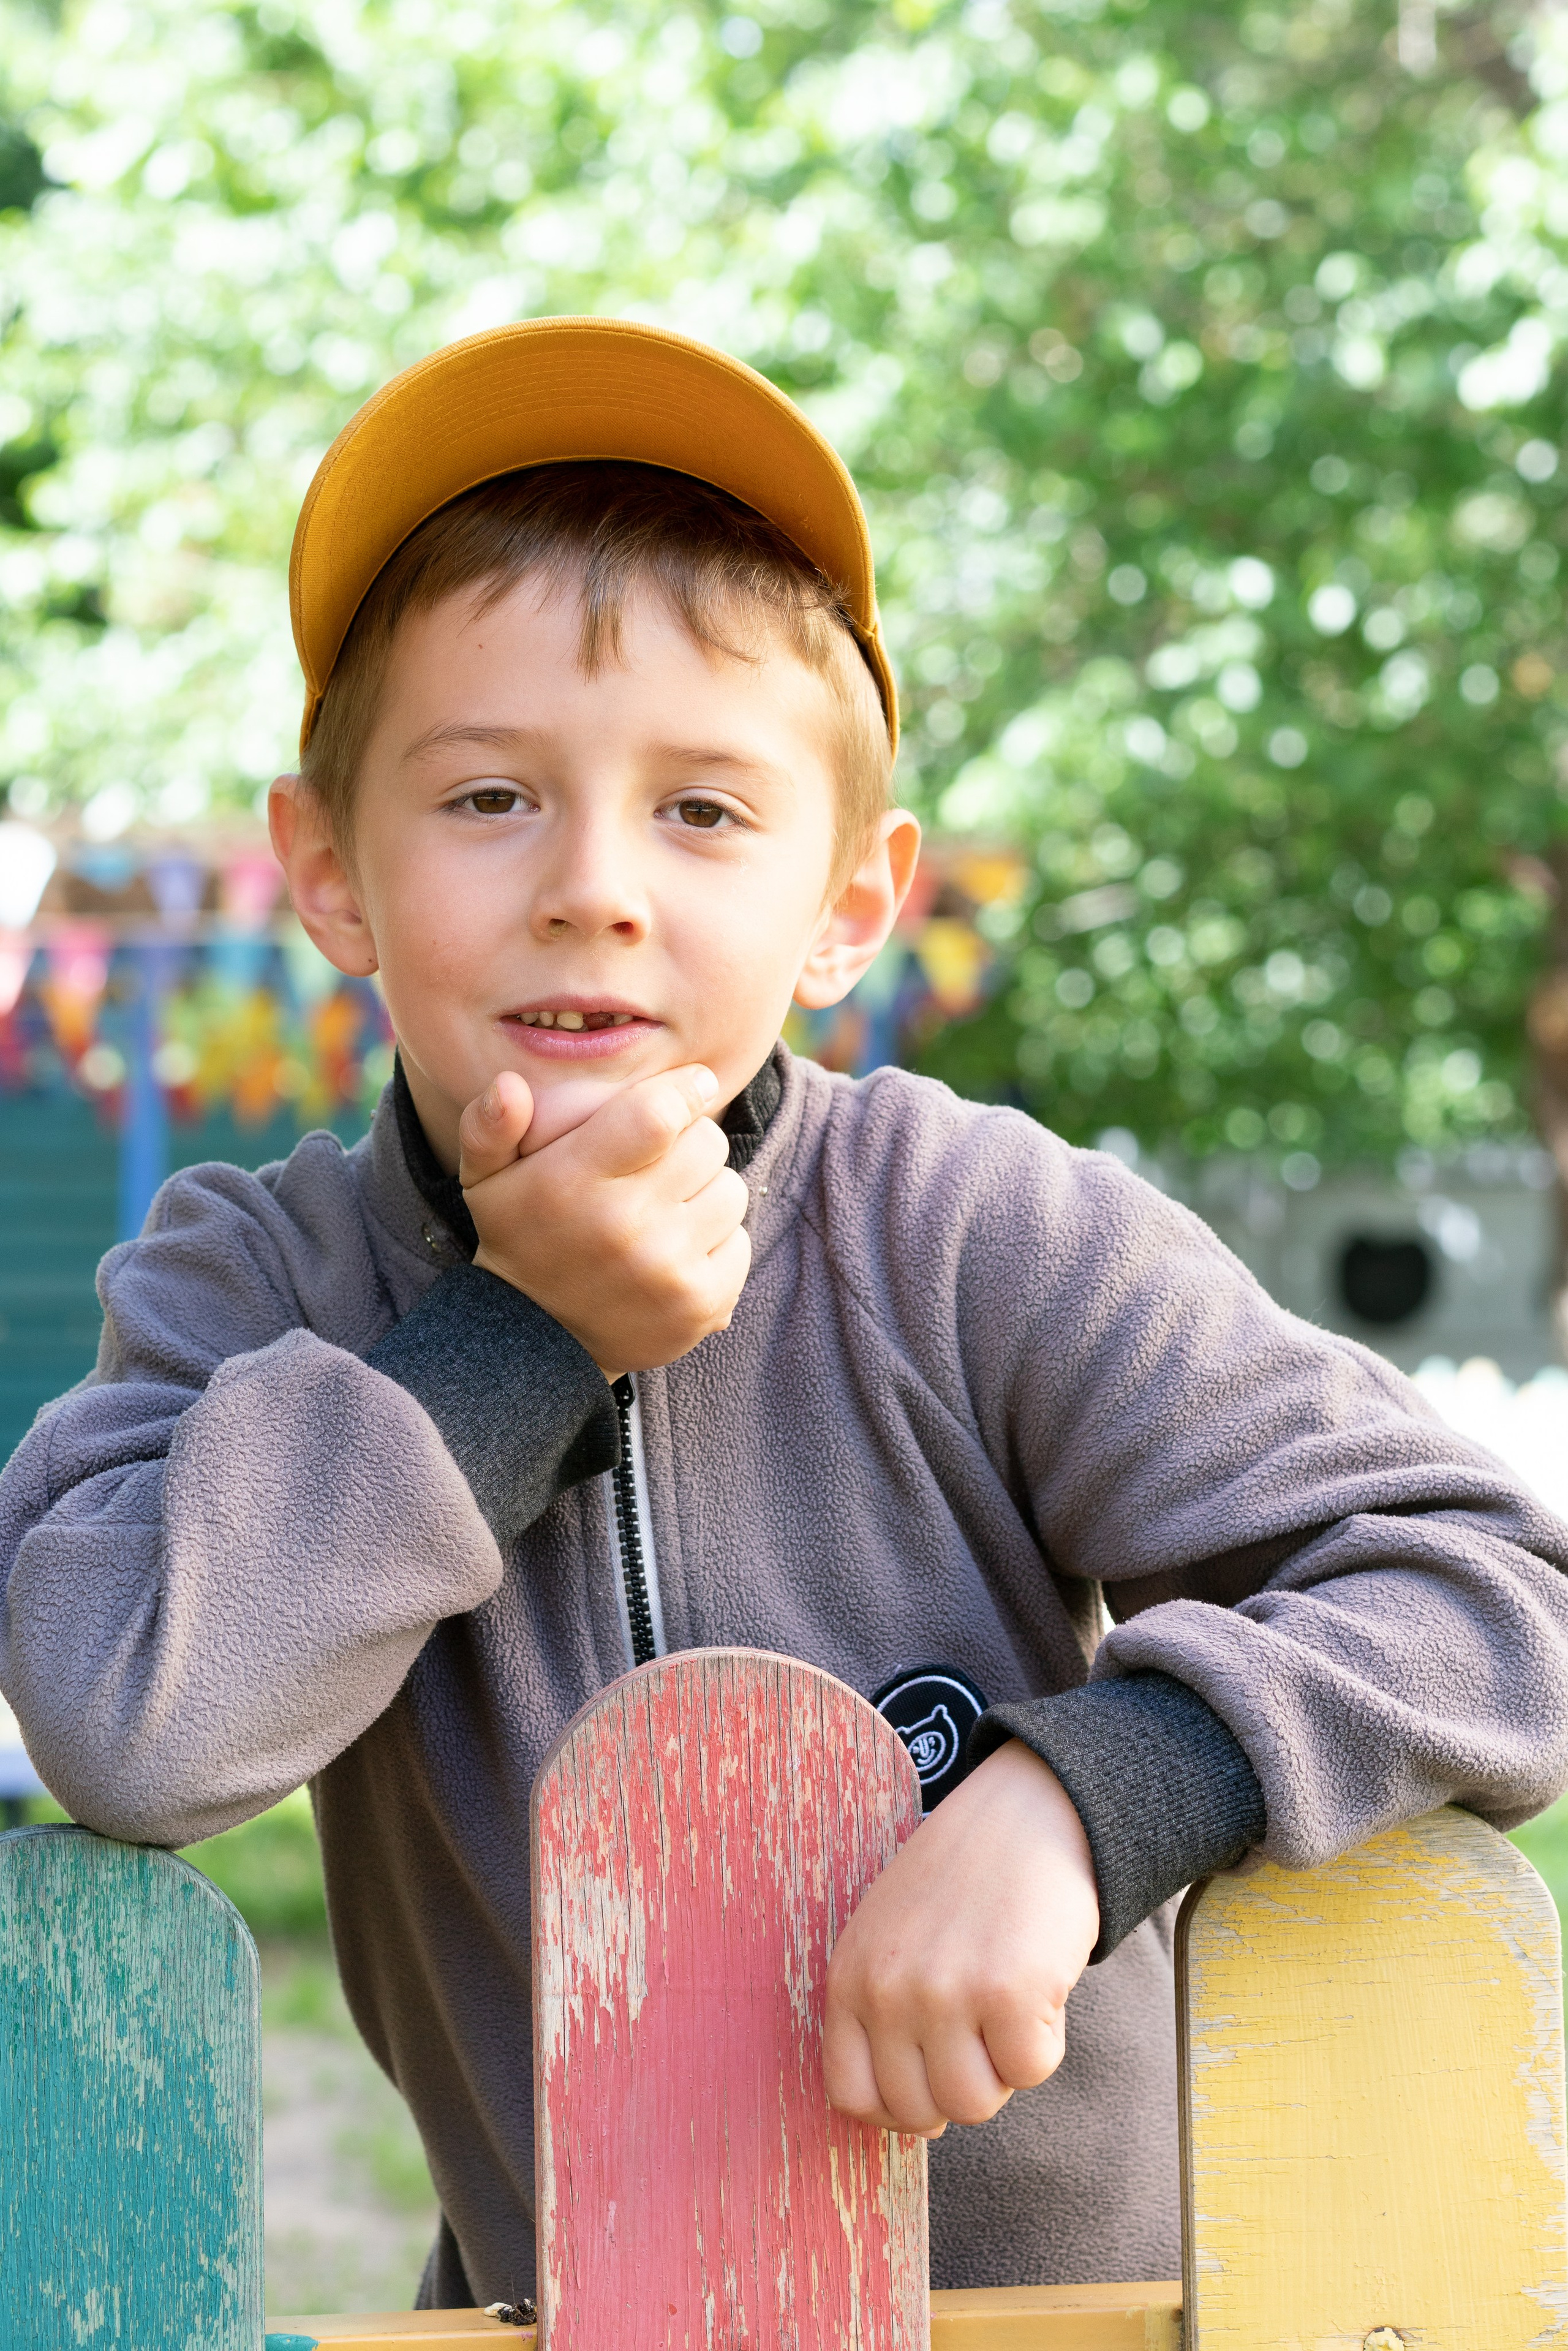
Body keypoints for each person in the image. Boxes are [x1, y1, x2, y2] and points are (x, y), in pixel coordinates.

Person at [4, 317, 1567, 2306]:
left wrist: (1089, 1797)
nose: (593, 888)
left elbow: (1493, 1580)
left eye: (706, 812)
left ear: (850, 899)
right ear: (329, 871)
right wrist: (518, 1336)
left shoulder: (972, 1232)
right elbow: (130, 1719)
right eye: (487, 798)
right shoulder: (263, 1278)